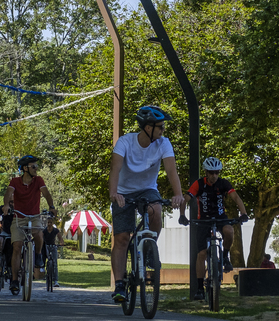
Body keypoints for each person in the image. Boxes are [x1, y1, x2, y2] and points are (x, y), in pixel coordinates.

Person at [107, 105, 185, 304]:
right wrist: (114, 194)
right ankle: (119, 285)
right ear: (147, 128)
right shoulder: (125, 142)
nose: (163, 131)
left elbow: (171, 171)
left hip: (148, 188)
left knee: (156, 209)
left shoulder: (163, 144)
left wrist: (178, 195)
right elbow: (115, 169)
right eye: (160, 127)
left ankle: (149, 250)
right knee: (122, 237)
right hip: (123, 191)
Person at [186, 156, 249, 300]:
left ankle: (225, 256)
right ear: (206, 172)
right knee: (201, 254)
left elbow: (236, 197)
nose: (214, 175)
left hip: (221, 218)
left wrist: (243, 213)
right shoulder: (199, 184)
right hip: (203, 220)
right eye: (211, 172)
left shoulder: (223, 183)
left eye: (217, 172)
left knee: (229, 231)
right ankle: (200, 288)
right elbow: (186, 198)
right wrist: (182, 215)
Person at [3, 155, 58, 295]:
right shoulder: (15, 181)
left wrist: (51, 206)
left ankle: (38, 255)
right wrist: (6, 205)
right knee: (17, 247)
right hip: (18, 217)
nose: (36, 169)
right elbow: (9, 193)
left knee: (39, 233)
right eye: (33, 166)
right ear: (25, 168)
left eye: (36, 166)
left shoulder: (38, 180)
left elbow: (46, 193)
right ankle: (15, 281)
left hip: (34, 216)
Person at [41, 217, 61, 287]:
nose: (49, 224)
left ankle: (56, 281)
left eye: (50, 222)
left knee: (55, 264)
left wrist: (61, 242)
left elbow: (60, 238)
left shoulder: (55, 230)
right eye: (48, 222)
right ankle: (43, 271)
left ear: (53, 223)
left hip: (53, 246)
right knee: (43, 256)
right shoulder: (44, 231)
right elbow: (41, 237)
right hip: (46, 246)